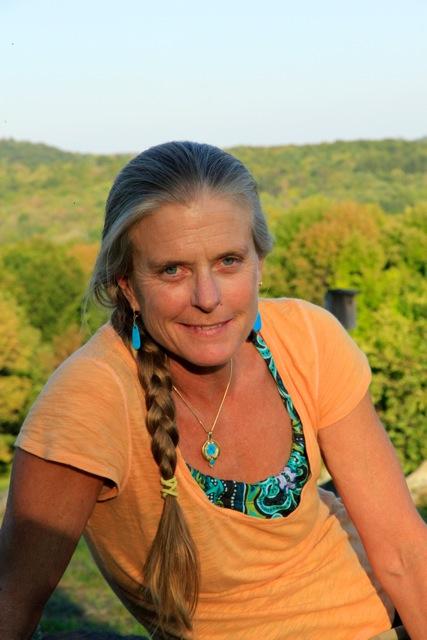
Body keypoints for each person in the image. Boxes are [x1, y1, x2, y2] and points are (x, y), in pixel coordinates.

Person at [0, 141, 426, 640]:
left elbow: (403, 550)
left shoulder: (309, 339)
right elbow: (13, 598)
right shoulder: (90, 402)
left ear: (259, 263)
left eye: (228, 261)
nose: (208, 298)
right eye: (172, 270)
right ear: (128, 286)